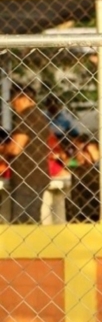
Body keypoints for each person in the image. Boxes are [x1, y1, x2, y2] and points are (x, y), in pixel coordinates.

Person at [0, 86, 51, 224]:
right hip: (39, 174)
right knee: (32, 220)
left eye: (13, 101)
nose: (12, 105)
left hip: (26, 176)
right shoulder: (40, 116)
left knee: (21, 223)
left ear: (23, 99)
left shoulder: (24, 117)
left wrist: (3, 149)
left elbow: (16, 148)